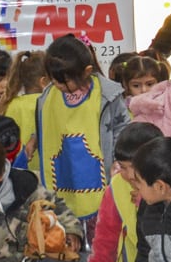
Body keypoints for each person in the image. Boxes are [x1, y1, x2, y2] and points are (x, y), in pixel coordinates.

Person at [34, 34, 129, 226]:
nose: (58, 86)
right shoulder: (47, 97)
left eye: (64, 81)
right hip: (64, 171)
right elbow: (47, 128)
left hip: (103, 177)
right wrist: (34, 139)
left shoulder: (107, 96)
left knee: (102, 234)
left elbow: (123, 128)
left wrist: (120, 160)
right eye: (54, 80)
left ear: (86, 71)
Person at [87, 121, 165, 262]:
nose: (129, 175)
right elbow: (105, 238)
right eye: (122, 167)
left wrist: (145, 203)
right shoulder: (117, 186)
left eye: (135, 167)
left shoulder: (170, 184)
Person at [0, 50, 46, 174]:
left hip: (17, 170)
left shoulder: (11, 104)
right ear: (44, 81)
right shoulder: (47, 103)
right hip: (47, 173)